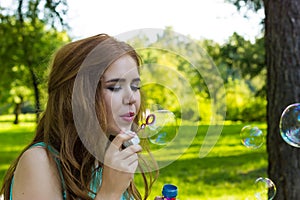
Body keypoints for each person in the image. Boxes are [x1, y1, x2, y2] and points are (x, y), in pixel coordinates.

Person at [0, 34, 158, 200]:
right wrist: (110, 193)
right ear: (77, 96)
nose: (131, 98)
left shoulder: (104, 159)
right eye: (114, 87)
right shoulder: (39, 163)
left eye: (135, 86)